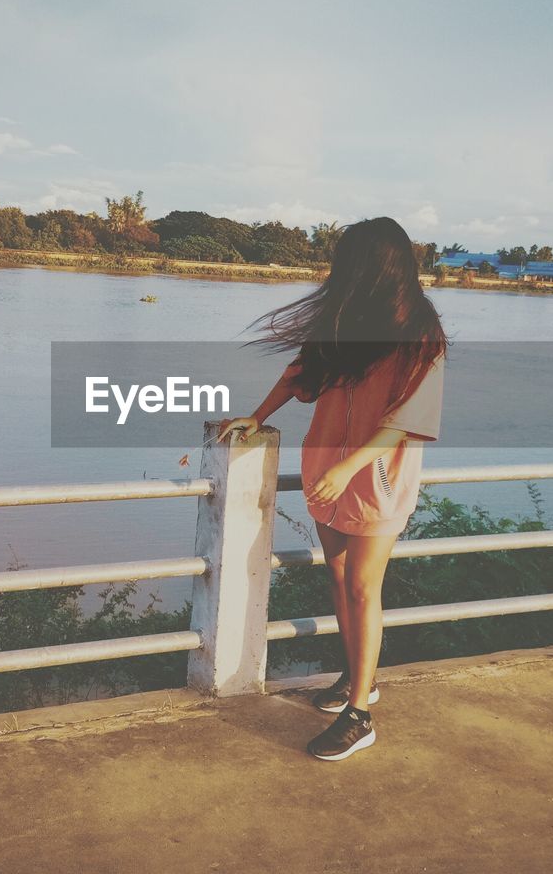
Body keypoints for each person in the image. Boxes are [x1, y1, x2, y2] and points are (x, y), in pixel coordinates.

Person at [218, 217, 447, 761]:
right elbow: (302, 372)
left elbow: (403, 420)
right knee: (340, 577)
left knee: (365, 586)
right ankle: (355, 679)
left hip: (377, 477)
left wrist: (350, 469)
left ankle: (360, 717)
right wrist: (257, 415)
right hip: (326, 466)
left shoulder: (419, 334)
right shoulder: (347, 318)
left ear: (378, 266)